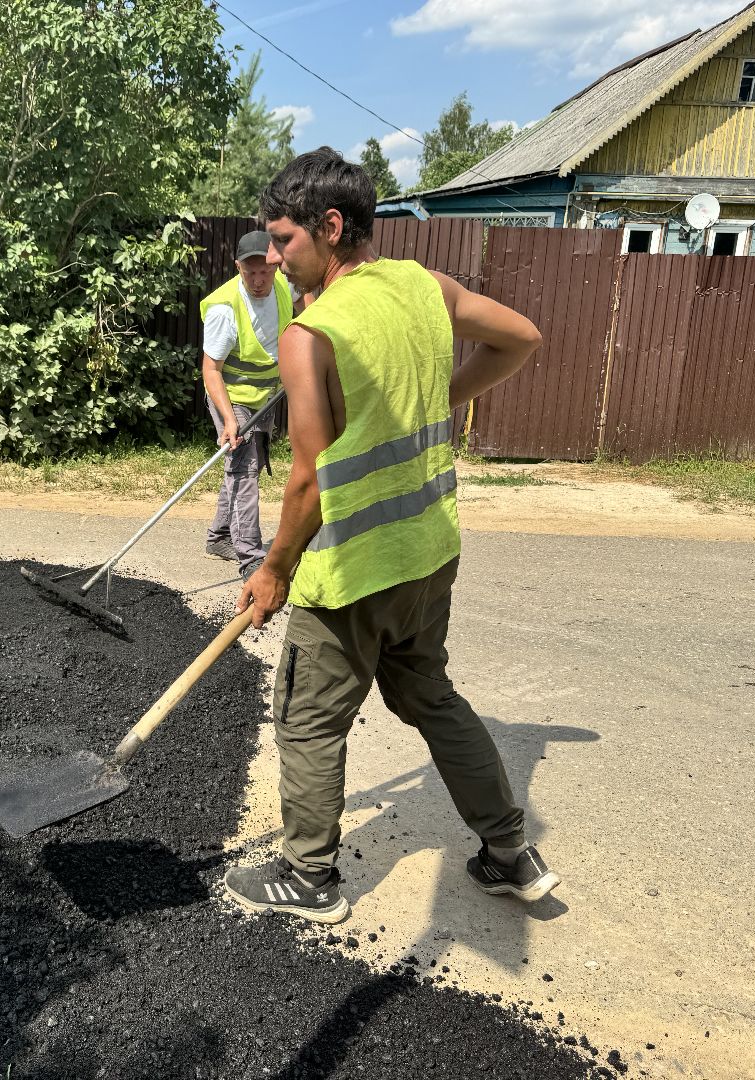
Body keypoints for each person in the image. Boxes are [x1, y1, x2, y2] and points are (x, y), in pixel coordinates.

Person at [224, 149, 552, 925]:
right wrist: (444, 395)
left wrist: (273, 572)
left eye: (283, 240)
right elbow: (522, 338)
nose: (272, 257)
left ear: (329, 228)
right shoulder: (422, 286)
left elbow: (306, 480)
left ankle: (308, 878)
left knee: (307, 717)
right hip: (428, 554)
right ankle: (511, 853)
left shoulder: (313, 334)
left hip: (353, 574)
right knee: (429, 694)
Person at [199, 230, 294, 582]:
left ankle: (220, 537)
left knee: (241, 462)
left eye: (265, 272)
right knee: (246, 467)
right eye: (249, 272)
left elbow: (310, 301)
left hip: (266, 396)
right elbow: (211, 370)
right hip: (231, 397)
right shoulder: (225, 309)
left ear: (275, 265)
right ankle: (251, 557)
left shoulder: (284, 285)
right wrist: (227, 419)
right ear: (237, 266)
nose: (258, 281)